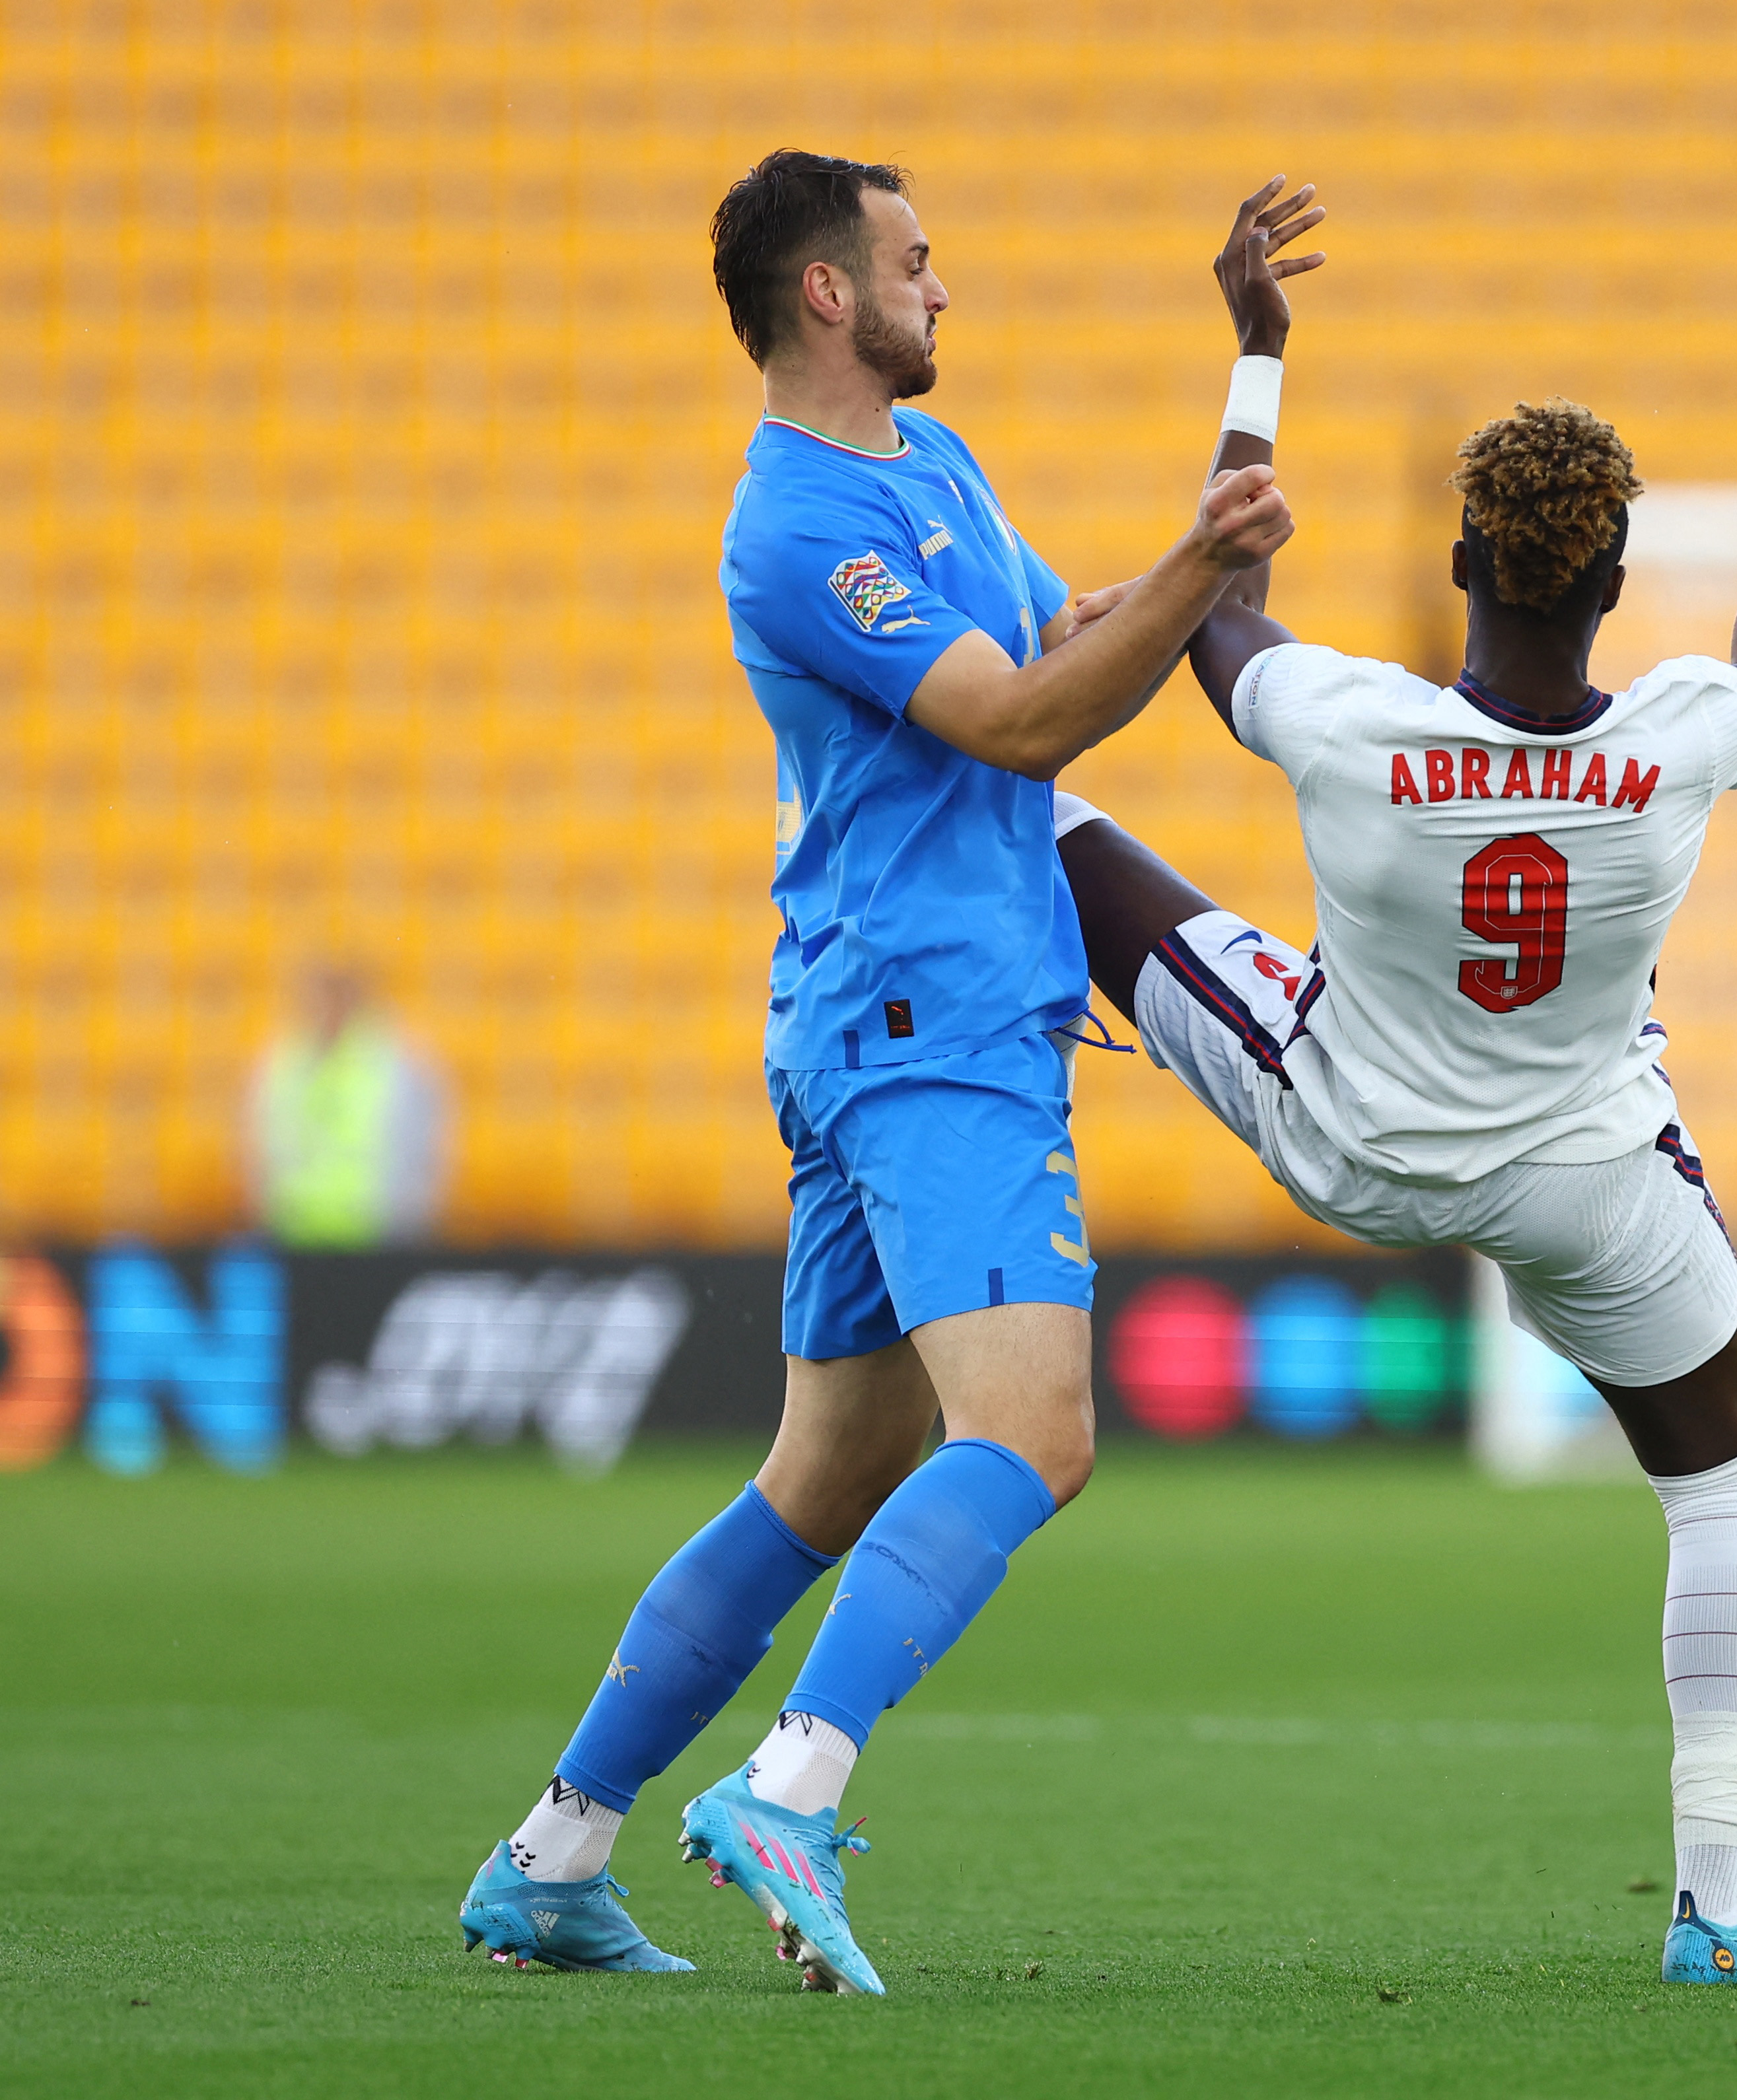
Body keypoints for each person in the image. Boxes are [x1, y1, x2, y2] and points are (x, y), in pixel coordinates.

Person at [456, 153, 1311, 1992]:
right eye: (920, 263)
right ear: (830, 293)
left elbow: (1064, 639)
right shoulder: (791, 526)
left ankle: (554, 1849)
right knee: (1035, 1434)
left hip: (880, 1012)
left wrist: (1236, 416)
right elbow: (1015, 718)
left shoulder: (932, 467)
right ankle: (791, 1785)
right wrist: (1202, 571)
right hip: (932, 1020)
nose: (949, 289)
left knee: (823, 1478)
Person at [1053, 213, 1737, 1986]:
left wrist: (1258, 353)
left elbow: (1221, 602)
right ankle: (1716, 1910)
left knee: (1024, 815)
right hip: (1584, 1166)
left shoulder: (1343, 716)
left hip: (1344, 1121)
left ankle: (946, 1055)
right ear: (1615, 577)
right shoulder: (1676, 736)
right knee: (1721, 1481)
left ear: (1457, 558)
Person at [248, 964, 444, 1247]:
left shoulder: (398, 1061)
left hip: (378, 1230)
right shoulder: (282, 1062)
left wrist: (412, 1214)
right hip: (297, 1228)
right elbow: (263, 1139)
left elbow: (423, 1140)